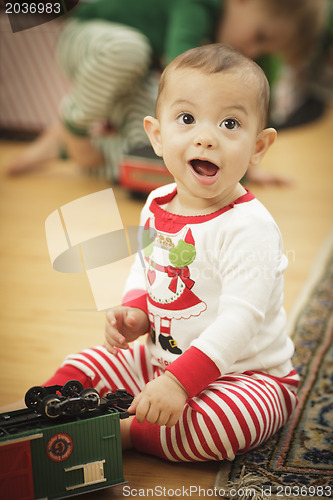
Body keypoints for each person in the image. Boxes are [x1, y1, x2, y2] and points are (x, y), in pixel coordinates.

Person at [42, 45, 299, 461]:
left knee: (222, 426)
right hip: (163, 359)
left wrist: (181, 384)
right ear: (157, 136)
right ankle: (45, 413)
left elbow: (240, 320)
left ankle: (124, 432)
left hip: (246, 376)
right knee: (86, 363)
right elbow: (147, 273)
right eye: (186, 119)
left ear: (258, 147)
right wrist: (136, 312)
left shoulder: (249, 228)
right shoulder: (158, 202)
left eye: (230, 123)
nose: (205, 136)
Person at [7, 0, 327, 186]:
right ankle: (72, 126)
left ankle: (60, 148)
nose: (251, 50)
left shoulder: (219, 27)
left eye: (264, 48)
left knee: (154, 156)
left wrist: (239, 163)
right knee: (128, 51)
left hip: (135, 72)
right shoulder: (197, 5)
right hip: (87, 39)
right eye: (259, 35)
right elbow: (182, 79)